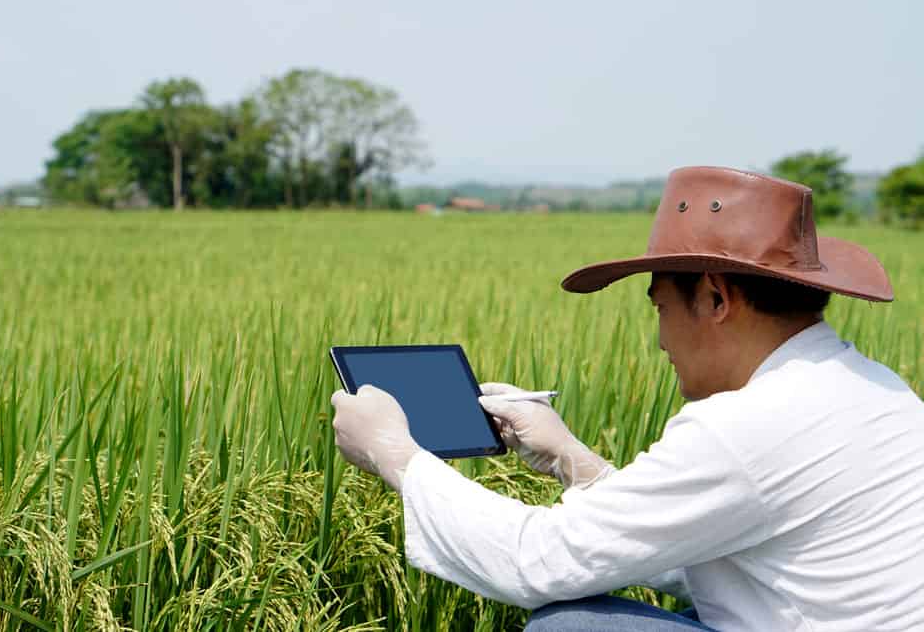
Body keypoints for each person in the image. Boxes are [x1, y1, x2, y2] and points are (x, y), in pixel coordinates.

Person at [330, 166, 924, 631]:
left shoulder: (744, 425)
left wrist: (396, 455)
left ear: (715, 299)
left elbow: (534, 563)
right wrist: (573, 460)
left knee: (573, 627)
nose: (662, 340)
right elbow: (705, 555)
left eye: (661, 308)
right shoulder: (872, 389)